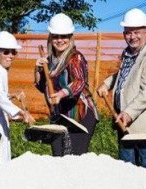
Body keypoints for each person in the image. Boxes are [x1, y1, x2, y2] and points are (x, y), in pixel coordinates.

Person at [97, 8, 146, 168]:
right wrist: (107, 84)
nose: (132, 37)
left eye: (137, 32)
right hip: (124, 123)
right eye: (128, 32)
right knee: (126, 172)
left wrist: (129, 112)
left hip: (144, 125)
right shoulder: (128, 54)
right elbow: (125, 75)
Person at [34, 13, 98, 155]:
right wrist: (38, 69)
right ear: (50, 37)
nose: (60, 40)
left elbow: (79, 81)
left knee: (75, 158)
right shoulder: (49, 60)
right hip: (59, 115)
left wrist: (61, 94)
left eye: (64, 36)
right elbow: (41, 86)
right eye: (56, 36)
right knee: (58, 155)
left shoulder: (76, 57)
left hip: (80, 115)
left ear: (70, 37)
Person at [0, 31, 34, 171]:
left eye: (13, 52)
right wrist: (22, 113)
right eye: (6, 52)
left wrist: (13, 94)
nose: (10, 56)